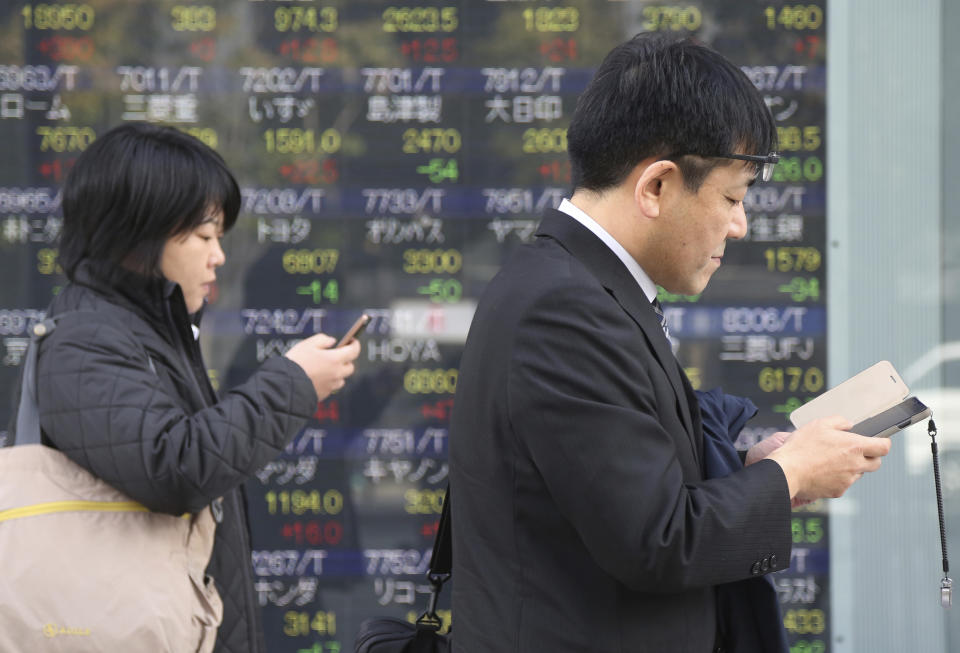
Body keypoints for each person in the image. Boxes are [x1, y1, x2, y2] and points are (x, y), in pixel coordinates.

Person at [448, 34, 891, 653]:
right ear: (656, 186)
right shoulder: (565, 309)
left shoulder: (572, 285)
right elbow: (657, 542)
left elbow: (621, 501)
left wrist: (752, 472)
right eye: (733, 198)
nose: (740, 224)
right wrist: (789, 475)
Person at [26, 123, 360, 653]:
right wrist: (293, 383)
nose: (218, 256)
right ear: (139, 234)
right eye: (204, 236)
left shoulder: (146, 331)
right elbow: (174, 466)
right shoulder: (86, 341)